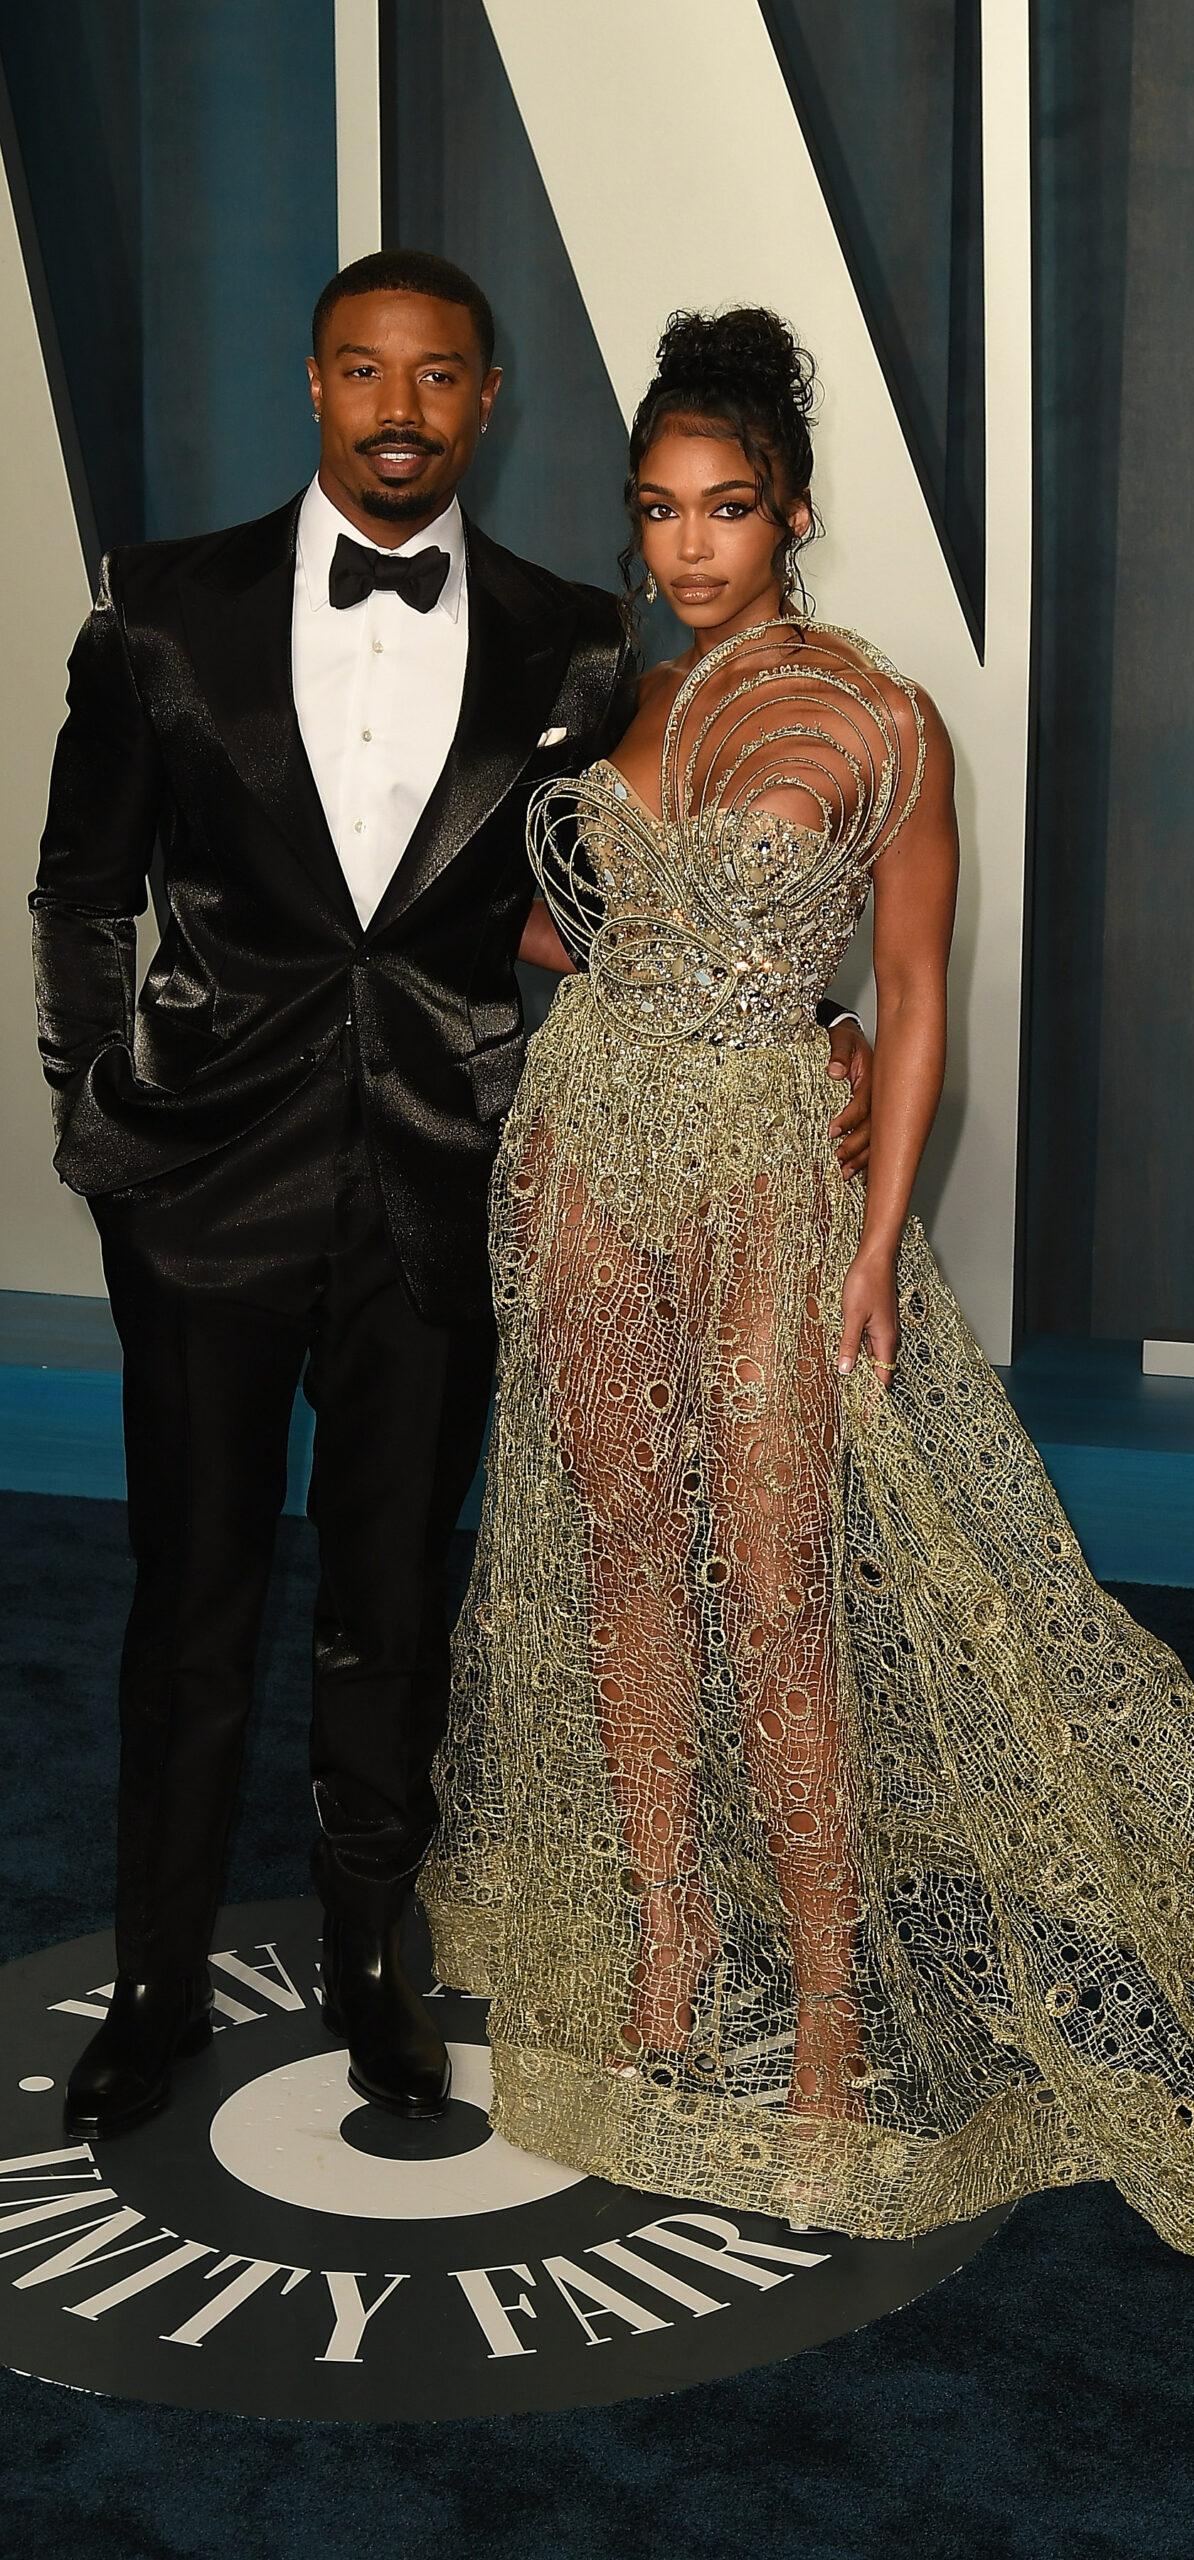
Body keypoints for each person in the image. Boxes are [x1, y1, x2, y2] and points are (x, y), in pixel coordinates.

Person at [422, 308, 1194, 2340]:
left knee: (772, 1586)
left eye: (724, 507)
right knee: (616, 1568)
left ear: (793, 514)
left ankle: (833, 2002)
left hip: (765, 1186)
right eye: (658, 511)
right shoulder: (619, 705)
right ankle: (669, 1948)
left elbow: (918, 993)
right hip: (585, 1162)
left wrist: (872, 1234)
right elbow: (554, 930)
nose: (686, 546)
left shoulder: (879, 719)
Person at [29, 249, 877, 2142]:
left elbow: (641, 897)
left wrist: (823, 1025)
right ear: (313, 387)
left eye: (436, 379)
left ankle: (371, 1968)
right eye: (361, 374)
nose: (398, 410)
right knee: (191, 1596)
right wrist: (104, 1127)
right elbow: (79, 890)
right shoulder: (157, 614)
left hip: (451, 1179)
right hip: (201, 1191)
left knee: (393, 1594)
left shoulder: (583, 643)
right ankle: (156, 1987)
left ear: (488, 403)